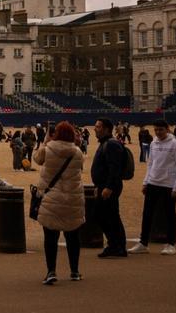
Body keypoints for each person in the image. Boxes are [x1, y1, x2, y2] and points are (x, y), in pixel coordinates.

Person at [32, 121, 85, 284]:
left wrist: (46, 140)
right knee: (73, 237)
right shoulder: (77, 152)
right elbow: (81, 167)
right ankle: (74, 271)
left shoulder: (48, 149)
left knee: (50, 238)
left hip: (51, 198)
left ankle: (51, 271)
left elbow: (36, 159)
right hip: (72, 198)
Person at [129, 120, 176, 255]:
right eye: (156, 130)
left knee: (169, 215)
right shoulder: (153, 143)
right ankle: (143, 243)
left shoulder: (175, 145)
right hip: (153, 183)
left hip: (168, 185)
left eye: (161, 129)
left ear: (167, 129)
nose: (158, 132)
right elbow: (151, 164)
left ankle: (170, 244)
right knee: (147, 214)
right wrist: (145, 181)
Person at [91, 118, 128, 258]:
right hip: (103, 186)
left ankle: (117, 246)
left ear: (107, 129)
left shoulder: (111, 144)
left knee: (108, 216)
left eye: (98, 126)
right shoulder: (106, 143)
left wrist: (109, 187)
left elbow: (115, 169)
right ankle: (115, 245)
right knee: (106, 215)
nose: (95, 129)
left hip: (109, 187)